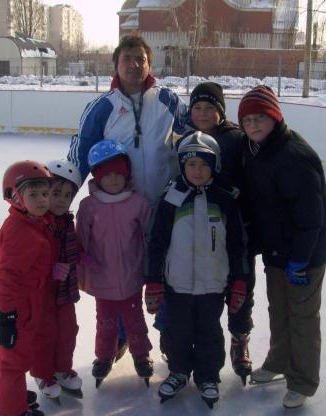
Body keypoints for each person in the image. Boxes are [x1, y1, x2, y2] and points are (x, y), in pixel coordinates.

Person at [238, 85, 326, 409]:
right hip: (277, 250)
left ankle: (303, 380)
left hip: (304, 253)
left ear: (275, 116)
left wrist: (300, 261)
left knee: (302, 315)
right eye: (247, 120)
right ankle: (278, 362)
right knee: (279, 308)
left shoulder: (294, 156)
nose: (253, 126)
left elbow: (312, 217)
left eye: (259, 119)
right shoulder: (256, 151)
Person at [144, 131, 249, 409]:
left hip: (214, 284)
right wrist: (153, 281)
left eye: (204, 164)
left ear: (214, 165)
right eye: (191, 164)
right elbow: (156, 242)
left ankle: (207, 376)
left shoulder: (225, 200)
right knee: (177, 331)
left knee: (209, 332)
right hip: (176, 284)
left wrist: (239, 281)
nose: (198, 171)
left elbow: (239, 245)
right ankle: (178, 371)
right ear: (182, 166)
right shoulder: (170, 198)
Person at [186, 81, 255, 385]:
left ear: (220, 111)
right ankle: (197, 342)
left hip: (237, 227)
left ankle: (240, 339)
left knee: (242, 286)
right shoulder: (187, 138)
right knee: (203, 287)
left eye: (210, 107)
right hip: (200, 229)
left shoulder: (237, 139)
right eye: (197, 107)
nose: (203, 113)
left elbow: (255, 177)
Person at [67, 35, 188, 205]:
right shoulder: (102, 107)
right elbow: (79, 157)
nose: (134, 64)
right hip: (120, 210)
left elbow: (195, 132)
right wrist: (61, 199)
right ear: (116, 65)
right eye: (127, 59)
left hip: (165, 206)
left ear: (149, 66)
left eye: (141, 59)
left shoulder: (168, 100)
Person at [76, 140, 153, 388]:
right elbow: (80, 242)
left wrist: (150, 269)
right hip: (102, 278)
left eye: (118, 173)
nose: (113, 179)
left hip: (131, 276)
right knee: (105, 322)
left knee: (135, 319)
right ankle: (103, 357)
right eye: (106, 174)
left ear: (126, 174)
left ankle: (141, 355)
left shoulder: (138, 203)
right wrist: (82, 267)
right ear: (97, 177)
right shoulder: (88, 206)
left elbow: (148, 237)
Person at [0, 161, 53, 416]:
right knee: (16, 359)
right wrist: (7, 316)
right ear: (15, 197)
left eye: (45, 194)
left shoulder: (30, 223)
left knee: (8, 354)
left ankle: (2, 393)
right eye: (33, 195)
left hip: (23, 303)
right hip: (15, 307)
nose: (42, 200)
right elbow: (7, 278)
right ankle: (11, 414)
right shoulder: (20, 232)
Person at [29, 160, 84, 402]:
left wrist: (82, 257)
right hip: (42, 294)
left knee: (68, 331)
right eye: (54, 194)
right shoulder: (38, 224)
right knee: (45, 334)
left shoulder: (66, 221)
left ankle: (62, 369)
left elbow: (71, 247)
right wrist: (49, 269)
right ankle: (43, 374)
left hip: (65, 291)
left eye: (67, 195)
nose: (61, 200)